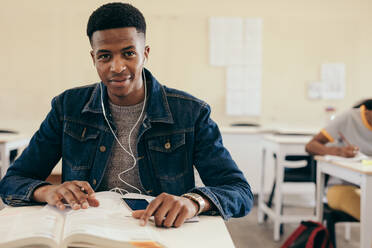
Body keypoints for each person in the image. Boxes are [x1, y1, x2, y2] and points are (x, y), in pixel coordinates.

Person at [0, 2, 253, 228]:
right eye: (105, 56)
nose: (117, 67)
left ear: (145, 53)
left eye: (129, 53)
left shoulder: (190, 112)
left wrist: (194, 201)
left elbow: (239, 191)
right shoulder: (67, 108)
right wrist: (48, 191)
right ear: (94, 58)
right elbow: (12, 181)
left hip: (160, 234)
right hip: (88, 233)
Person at [305, 99, 372, 220]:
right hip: (341, 188)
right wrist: (339, 152)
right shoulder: (349, 117)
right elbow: (310, 146)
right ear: (366, 112)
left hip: (368, 188)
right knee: (369, 214)